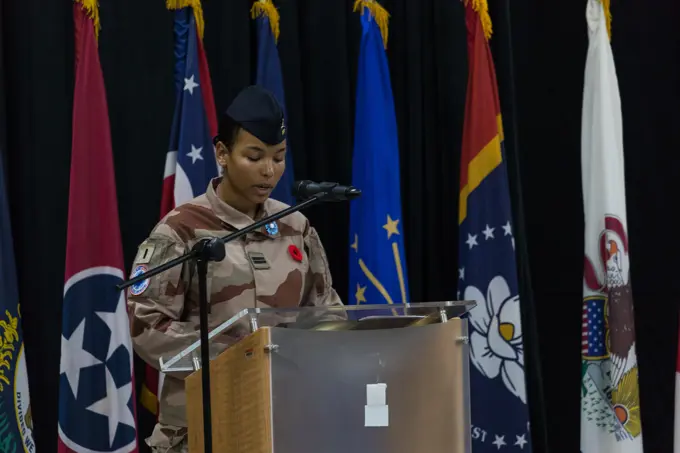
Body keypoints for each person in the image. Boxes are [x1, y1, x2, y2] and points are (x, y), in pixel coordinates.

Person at [126, 85, 344, 453]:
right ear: (222, 153)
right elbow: (147, 324)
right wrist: (235, 359)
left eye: (279, 157)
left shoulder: (296, 226)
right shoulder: (182, 229)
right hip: (204, 426)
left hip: (284, 422)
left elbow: (324, 311)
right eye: (254, 156)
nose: (269, 171)